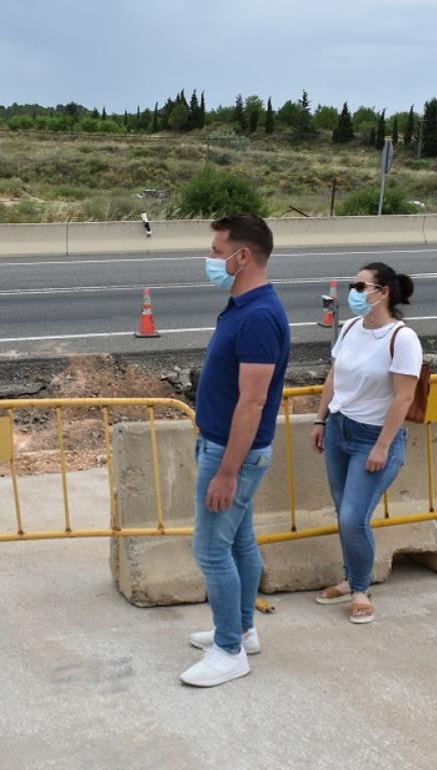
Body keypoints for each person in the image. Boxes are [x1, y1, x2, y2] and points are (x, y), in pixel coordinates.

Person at [181, 214, 291, 688]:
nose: (210, 259)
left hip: (233, 453)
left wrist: (228, 471)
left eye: (214, 250)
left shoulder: (260, 316)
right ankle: (243, 630)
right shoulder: (245, 306)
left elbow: (254, 400)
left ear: (241, 256)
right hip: (224, 445)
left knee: (210, 550)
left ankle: (229, 650)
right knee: (240, 542)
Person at [310, 262, 421, 624]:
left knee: (354, 518)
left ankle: (360, 589)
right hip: (340, 429)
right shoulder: (351, 327)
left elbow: (403, 399)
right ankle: (349, 579)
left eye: (360, 287)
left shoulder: (402, 338)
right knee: (344, 514)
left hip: (373, 437)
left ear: (383, 292)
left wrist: (382, 446)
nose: (353, 293)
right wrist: (321, 418)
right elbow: (334, 374)